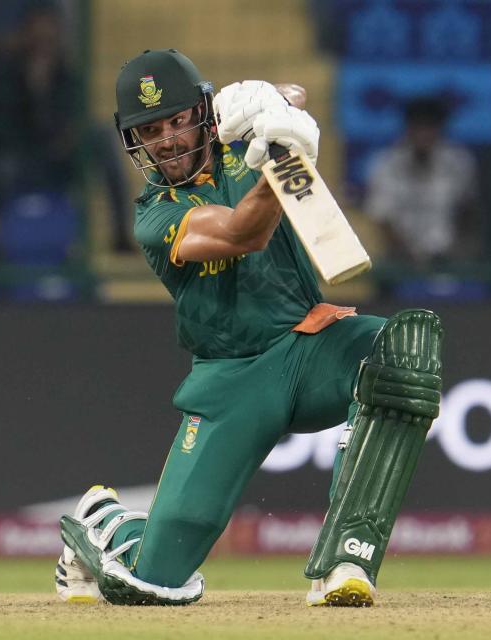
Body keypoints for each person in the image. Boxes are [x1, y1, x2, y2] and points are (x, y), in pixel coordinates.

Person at [54, 49, 444, 607]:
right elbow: (243, 233)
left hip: (311, 345)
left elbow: (290, 96)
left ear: (204, 114)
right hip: (234, 381)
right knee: (153, 583)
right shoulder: (154, 215)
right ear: (132, 139)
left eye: (177, 120)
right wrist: (281, 162)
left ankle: (346, 559)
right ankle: (102, 523)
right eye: (150, 130)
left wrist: (274, 104)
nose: (166, 139)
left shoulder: (242, 141)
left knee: (401, 356)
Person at [364, 97, 479, 265]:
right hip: (401, 260)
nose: (424, 133)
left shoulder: (458, 162)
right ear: (408, 128)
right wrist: (409, 255)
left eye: (430, 126)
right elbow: (383, 219)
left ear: (440, 128)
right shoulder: (385, 164)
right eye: (418, 126)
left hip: (449, 257)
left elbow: (468, 211)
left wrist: (458, 251)